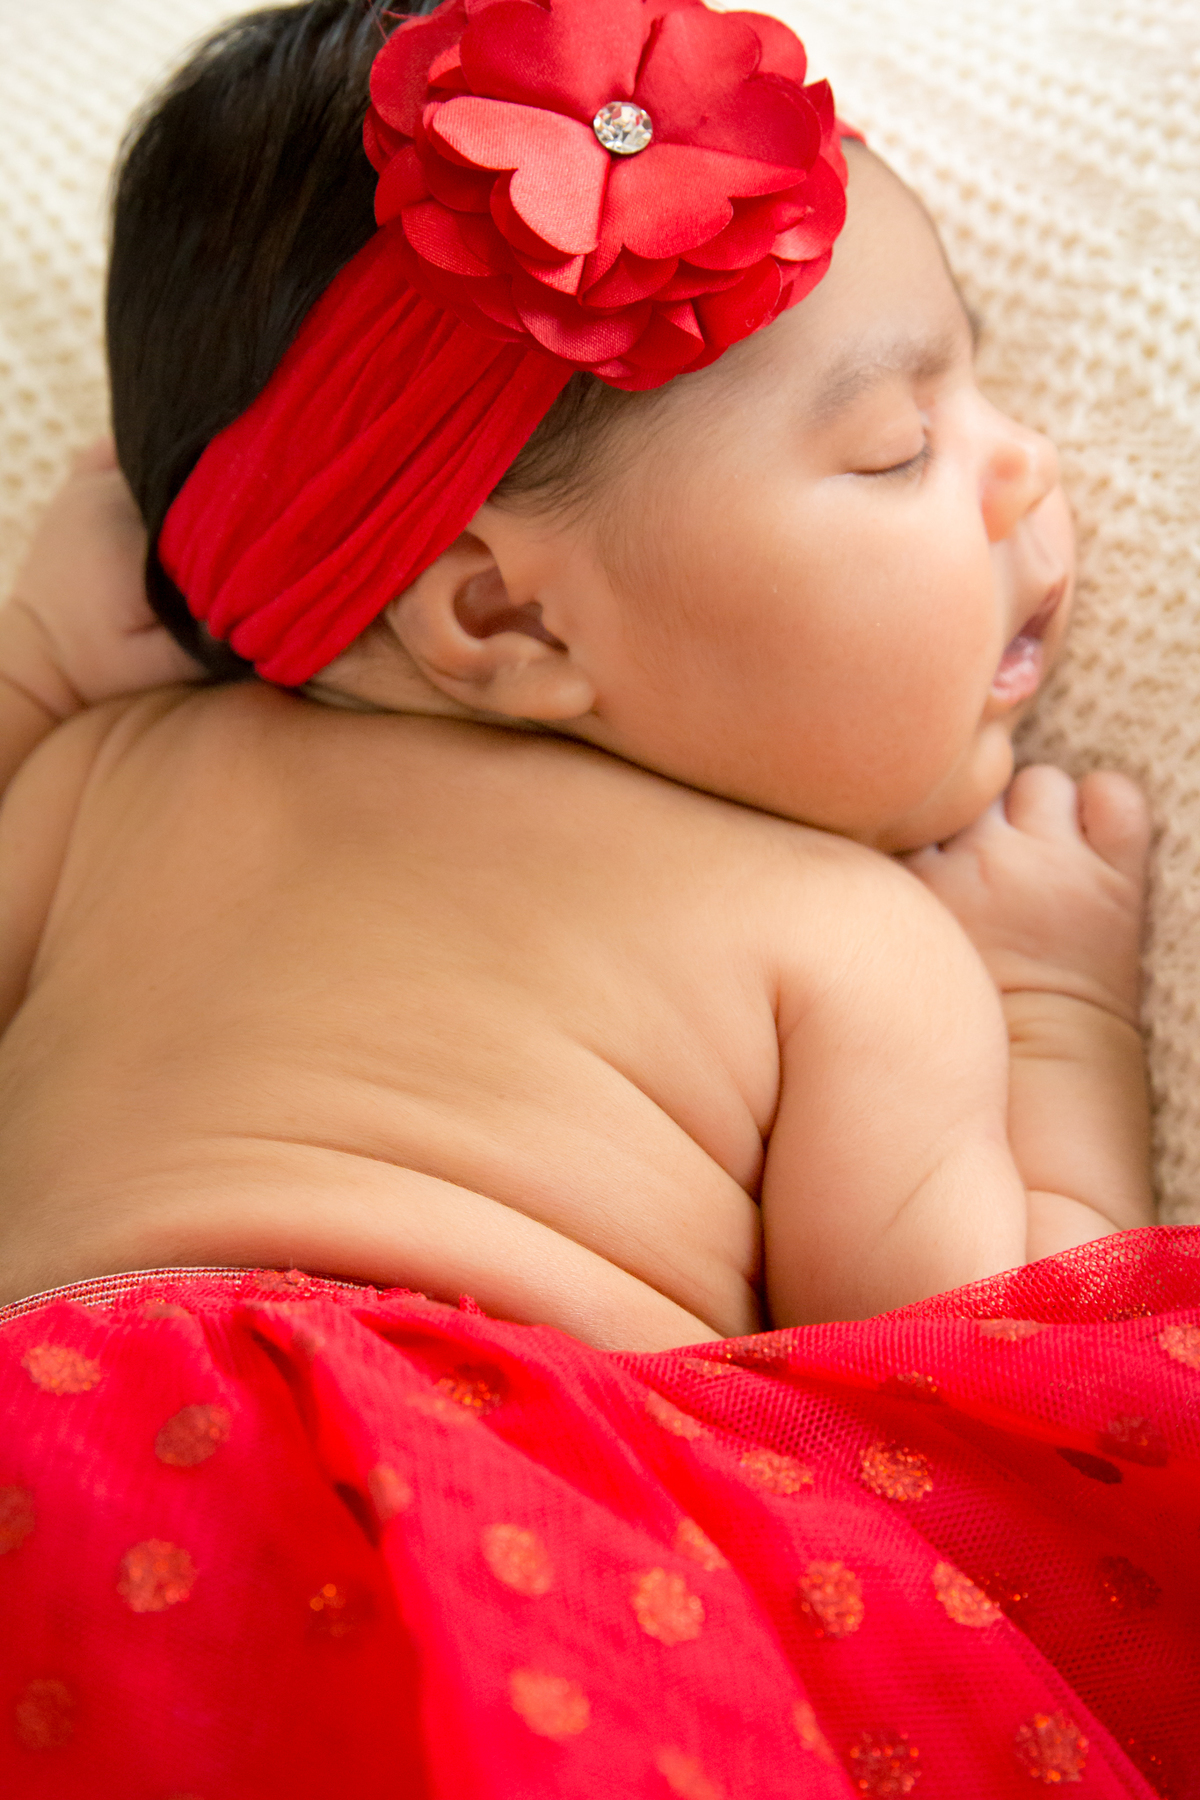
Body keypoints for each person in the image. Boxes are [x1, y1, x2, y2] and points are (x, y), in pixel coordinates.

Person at [0, 2, 1195, 1793]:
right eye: (895, 445)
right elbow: (1001, 1387)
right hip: (520, 1539)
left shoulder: (115, 784)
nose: (1023, 465)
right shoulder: (848, 945)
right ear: (500, 616)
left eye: (981, 387)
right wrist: (1058, 1010)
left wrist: (32, 666)